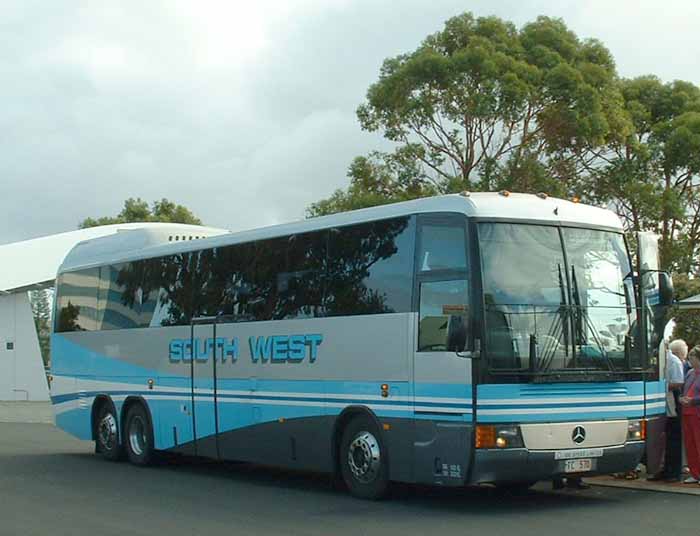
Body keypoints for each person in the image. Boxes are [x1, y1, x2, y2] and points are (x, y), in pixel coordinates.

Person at [650, 339, 685, 481]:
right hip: (661, 401)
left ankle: (674, 472)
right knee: (663, 438)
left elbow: (678, 382)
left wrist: (661, 387)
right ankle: (663, 468)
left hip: (672, 401)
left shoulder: (674, 361)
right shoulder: (661, 360)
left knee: (673, 439)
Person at [680, 345, 700, 484]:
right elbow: (684, 388)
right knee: (690, 444)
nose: (690, 361)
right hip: (687, 413)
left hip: (697, 412)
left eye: (692, 359)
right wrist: (681, 398)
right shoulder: (690, 373)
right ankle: (695, 473)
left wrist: (693, 401)